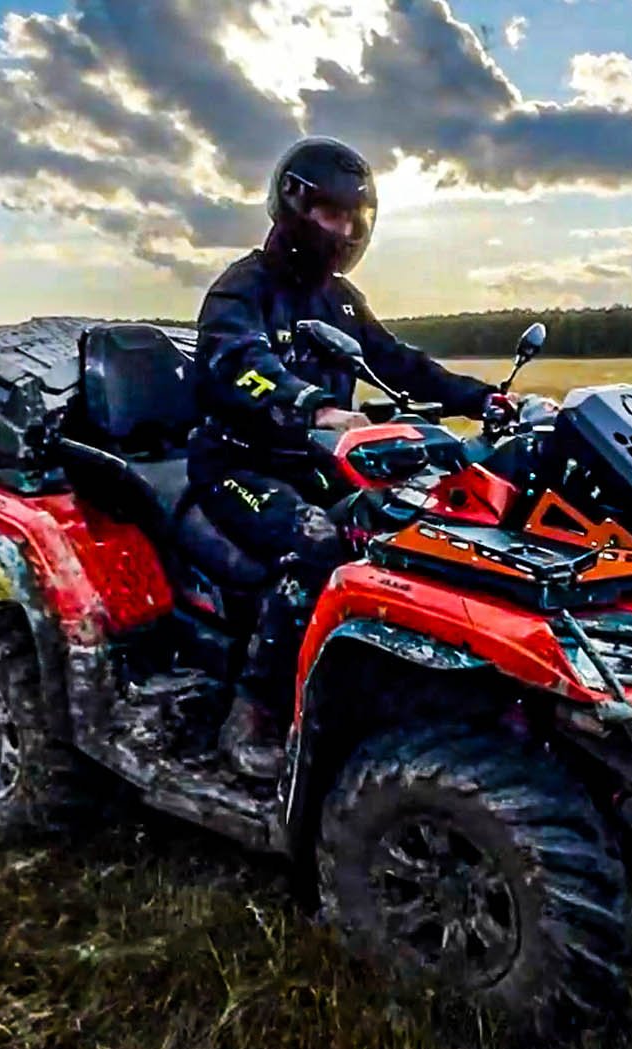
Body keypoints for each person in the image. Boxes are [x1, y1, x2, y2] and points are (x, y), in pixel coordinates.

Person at [190, 136, 505, 779]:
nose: (345, 230)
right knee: (316, 542)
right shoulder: (241, 290)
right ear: (294, 206)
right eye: (333, 214)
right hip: (238, 465)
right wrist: (312, 406)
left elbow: (398, 361)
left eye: (355, 217)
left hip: (313, 464)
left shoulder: (339, 298)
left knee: (410, 526)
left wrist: (485, 399)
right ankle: (255, 711)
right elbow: (238, 363)